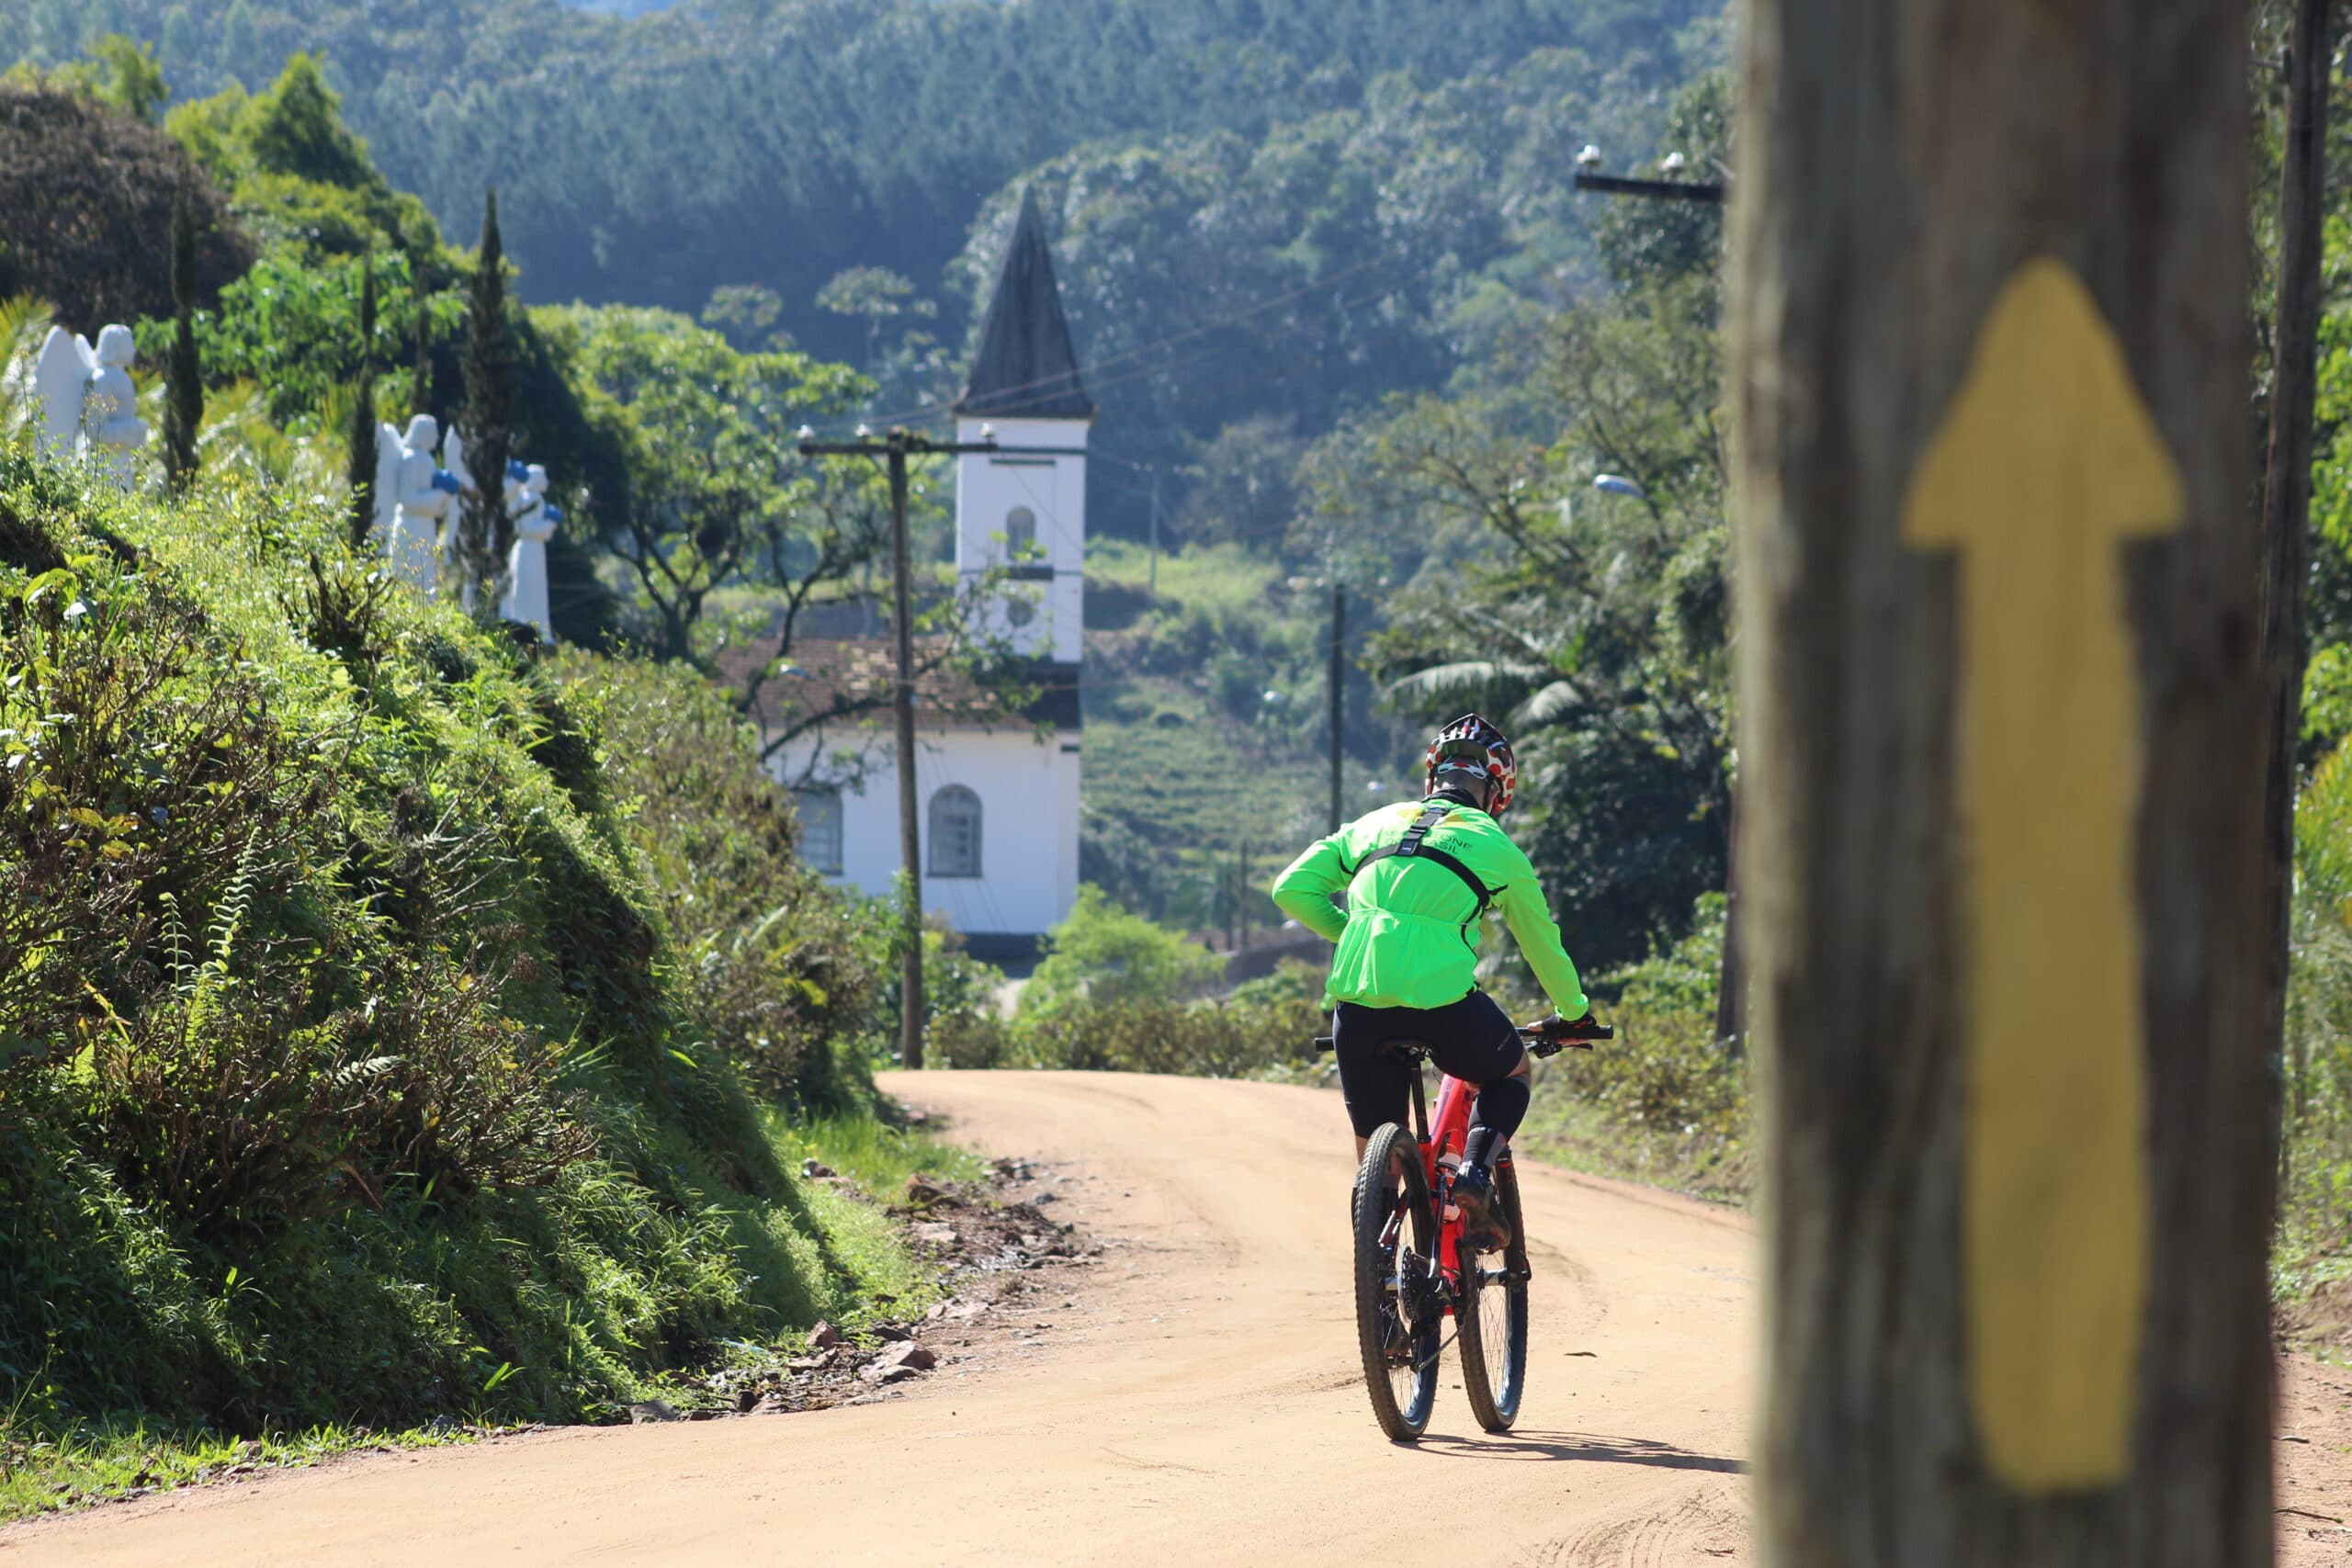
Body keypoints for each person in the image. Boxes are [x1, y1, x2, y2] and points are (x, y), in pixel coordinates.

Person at [1270, 714, 1594, 1248]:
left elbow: (1291, 889)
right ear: (1497, 795)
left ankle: (1380, 1284)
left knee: (1373, 1165)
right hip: (1444, 1007)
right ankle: (1474, 1173)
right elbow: (1542, 944)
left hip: (1359, 1007)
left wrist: (1355, 934)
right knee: (1512, 1072)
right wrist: (1574, 1013)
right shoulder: (1496, 848)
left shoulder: (1374, 823)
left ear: (1432, 777)